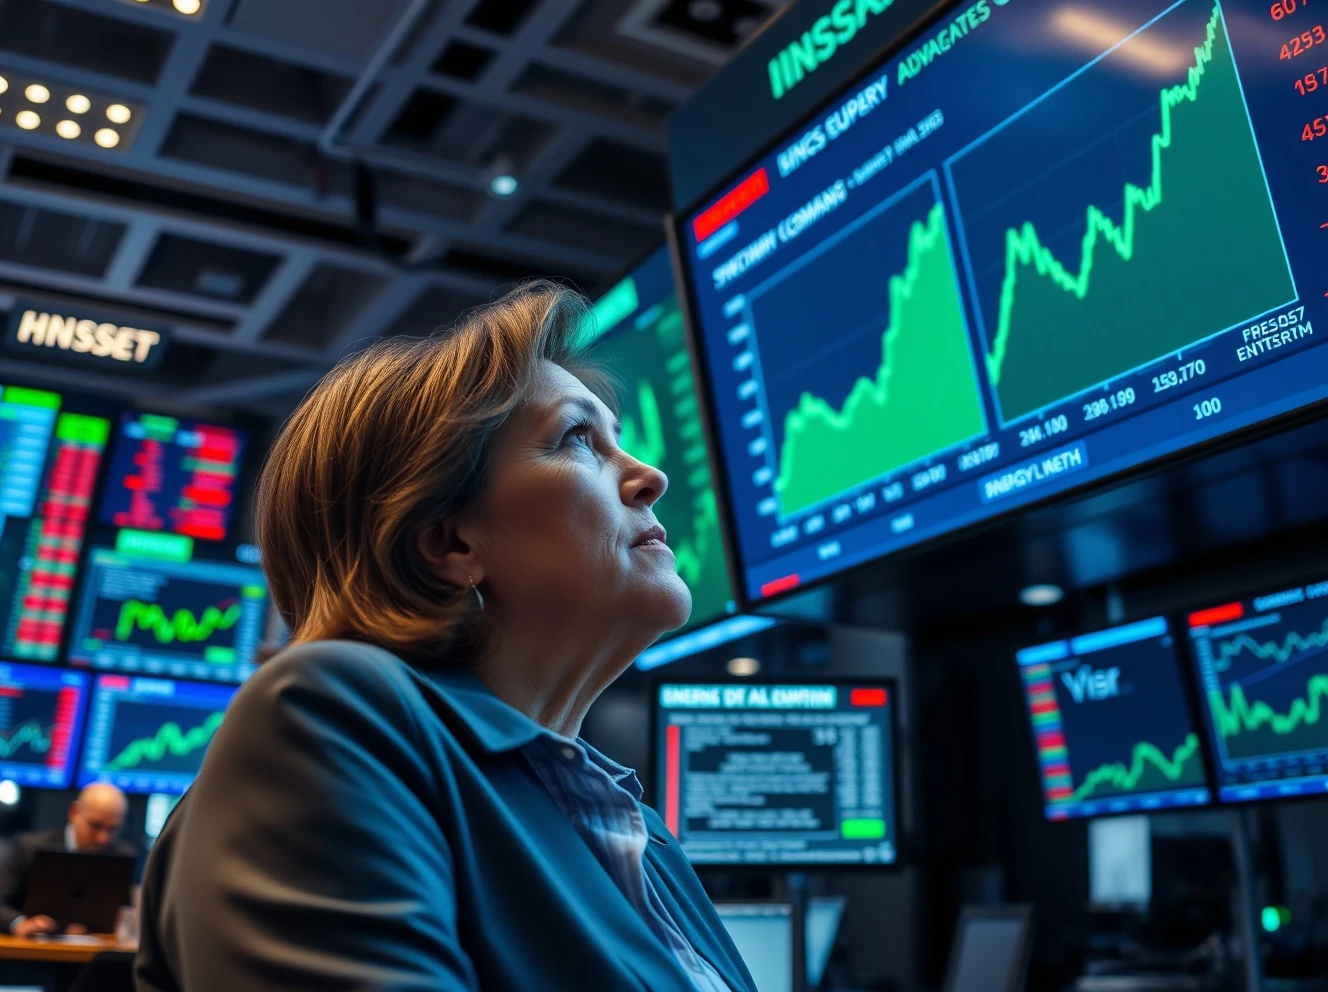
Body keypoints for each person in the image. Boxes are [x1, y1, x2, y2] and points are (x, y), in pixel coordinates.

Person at [135, 283, 756, 992]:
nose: (651, 477)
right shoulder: (323, 721)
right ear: (449, 543)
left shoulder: (643, 833)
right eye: (577, 439)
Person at [0, 782, 132, 936]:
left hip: (95, 948)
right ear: (74, 812)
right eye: (95, 825)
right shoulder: (29, 848)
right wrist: (19, 923)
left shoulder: (121, 857)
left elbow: (124, 913)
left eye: (113, 829)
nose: (103, 838)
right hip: (31, 947)